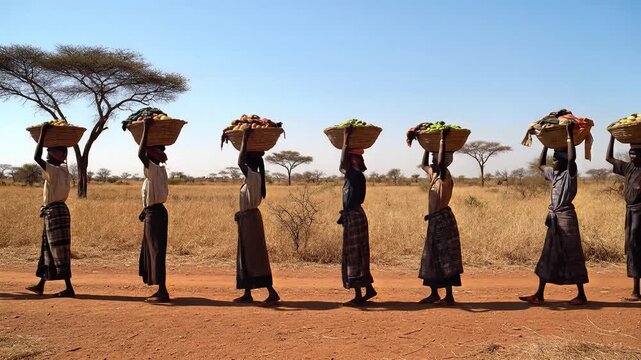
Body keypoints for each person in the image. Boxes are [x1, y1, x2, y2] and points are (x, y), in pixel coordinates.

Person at [519, 122, 589, 305]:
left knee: (572, 253)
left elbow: (572, 159)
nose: (554, 161)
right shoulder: (554, 174)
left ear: (564, 161)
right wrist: (545, 144)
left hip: (565, 217)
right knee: (548, 253)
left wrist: (569, 135)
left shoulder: (569, 173)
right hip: (554, 218)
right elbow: (541, 165)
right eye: (554, 158)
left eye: (557, 159)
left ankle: (581, 294)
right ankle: (539, 294)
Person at [26, 123, 75, 297]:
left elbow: (36, 157)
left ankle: (69, 288)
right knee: (50, 248)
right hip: (58, 210)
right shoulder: (63, 171)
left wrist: (43, 135)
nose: (48, 155)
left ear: (59, 155)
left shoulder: (54, 170)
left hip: (55, 212)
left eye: (52, 152)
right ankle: (41, 285)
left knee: (58, 250)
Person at [233, 128, 280, 304]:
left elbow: (240, 162)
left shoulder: (253, 177)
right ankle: (248, 293)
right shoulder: (254, 177)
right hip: (248, 219)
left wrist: (244, 138)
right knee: (247, 255)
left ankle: (271, 291)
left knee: (254, 255)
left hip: (250, 220)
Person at [418, 128, 463, 305]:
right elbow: (423, 165)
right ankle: (434, 293)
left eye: (435, 159)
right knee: (432, 256)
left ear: (442, 161)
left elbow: (441, 164)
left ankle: (449, 296)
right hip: (435, 220)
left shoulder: (445, 175)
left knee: (445, 257)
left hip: (443, 220)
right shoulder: (434, 175)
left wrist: (442, 139)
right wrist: (427, 145)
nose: (432, 162)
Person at [338, 126, 377, 306]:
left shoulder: (354, 175)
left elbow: (341, 164)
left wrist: (346, 138)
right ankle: (367, 289)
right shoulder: (355, 175)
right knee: (358, 253)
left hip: (354, 217)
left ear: (352, 160)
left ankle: (359, 295)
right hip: (355, 215)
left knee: (354, 254)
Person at [138, 117, 170, 303]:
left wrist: (145, 129)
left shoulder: (153, 168)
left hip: (156, 214)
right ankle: (161, 289)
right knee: (155, 250)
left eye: (154, 150)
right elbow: (153, 195)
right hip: (155, 212)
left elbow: (140, 154)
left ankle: (163, 291)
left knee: (156, 251)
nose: (150, 153)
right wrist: (145, 210)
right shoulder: (157, 170)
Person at [606, 135, 641, 301]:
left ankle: (636, 292)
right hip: (630, 211)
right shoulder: (627, 168)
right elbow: (609, 158)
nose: (632, 155)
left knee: (635, 243)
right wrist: (612, 137)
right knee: (632, 247)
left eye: (636, 153)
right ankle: (635, 291)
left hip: (640, 211)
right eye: (631, 153)